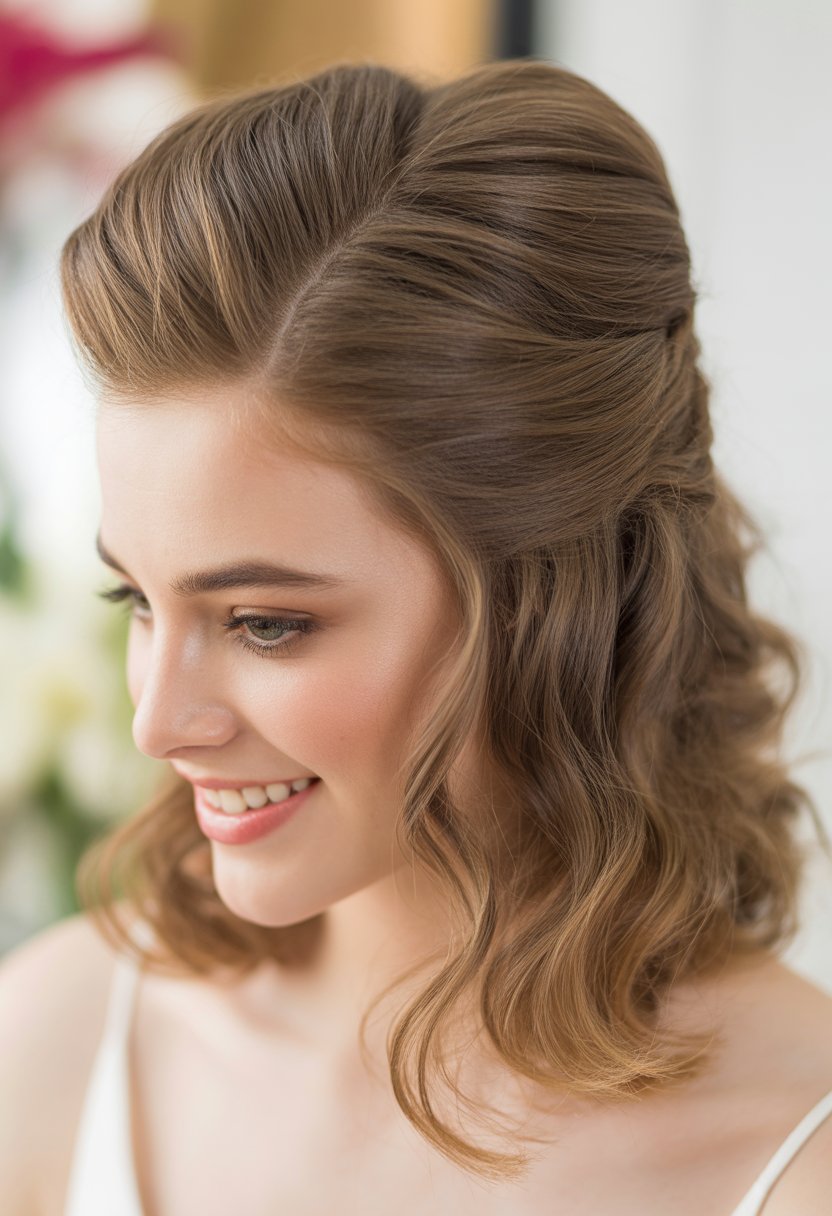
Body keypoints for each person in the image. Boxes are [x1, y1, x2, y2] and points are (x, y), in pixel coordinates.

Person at [1, 57, 830, 1216]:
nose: (157, 719)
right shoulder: (51, 1049)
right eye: (137, 601)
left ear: (556, 593)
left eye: (265, 623)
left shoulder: (790, 1154)